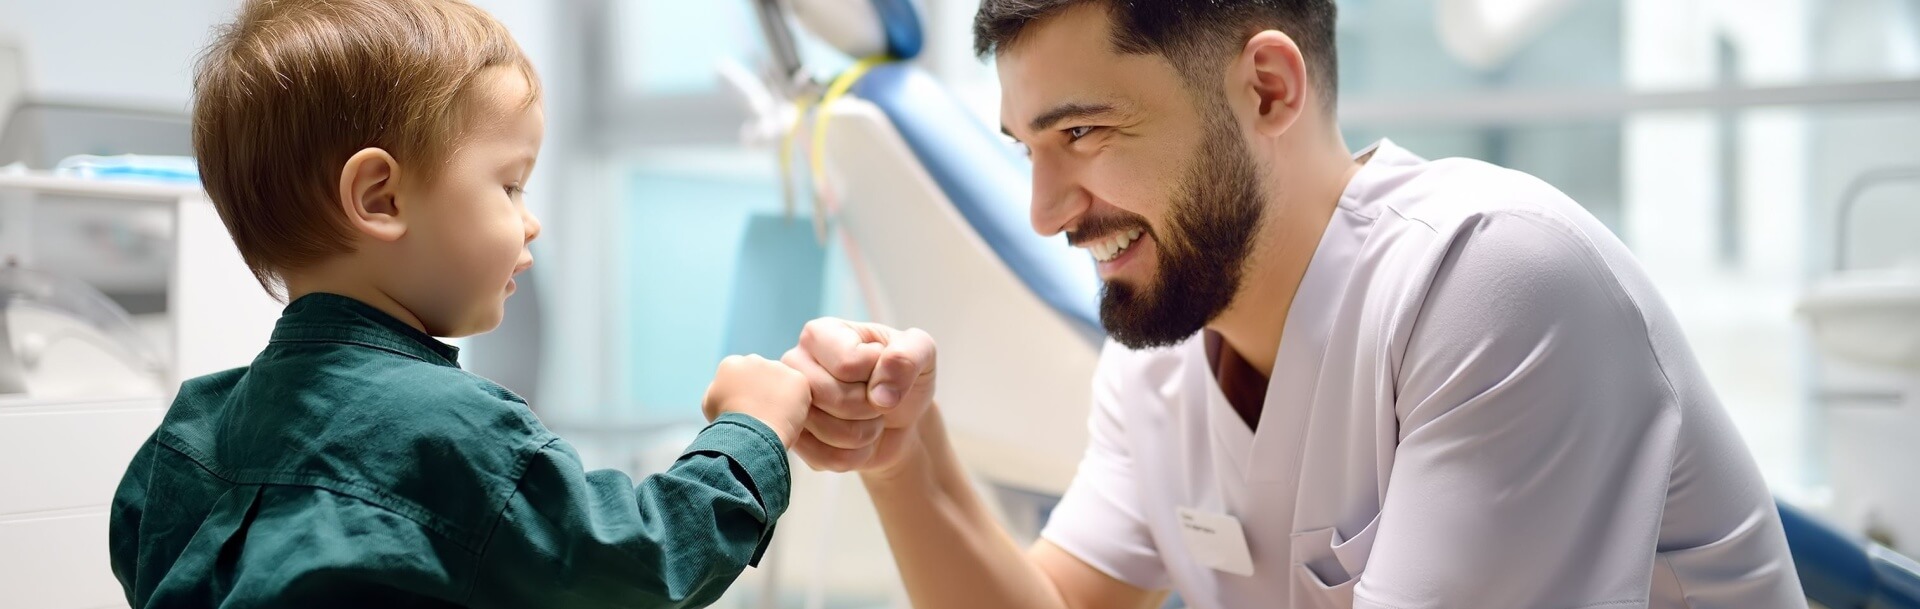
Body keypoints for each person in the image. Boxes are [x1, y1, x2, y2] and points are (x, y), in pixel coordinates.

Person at [783, 1, 1806, 608]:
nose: (1047, 214)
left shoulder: (1495, 281)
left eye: (1085, 135)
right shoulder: (1160, 354)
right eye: (1029, 152)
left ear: (1268, 89)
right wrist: (902, 461)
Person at [108, 1, 809, 606]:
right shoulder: (455, 433)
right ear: (380, 198)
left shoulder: (192, 428)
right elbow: (642, 563)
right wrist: (750, 430)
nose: (529, 221)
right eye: (509, 186)